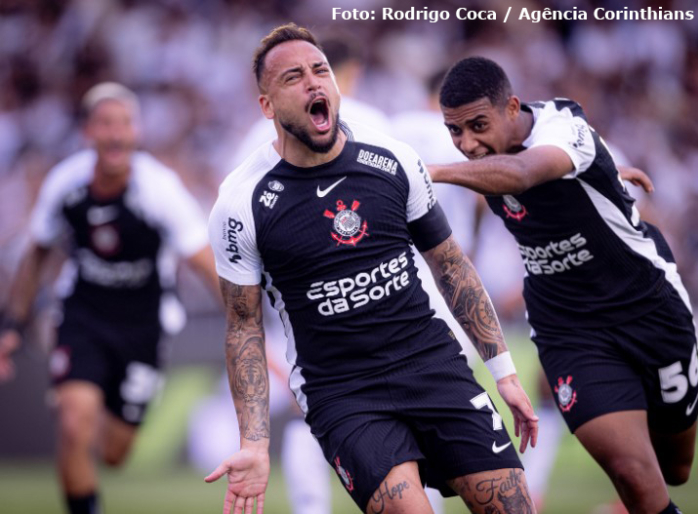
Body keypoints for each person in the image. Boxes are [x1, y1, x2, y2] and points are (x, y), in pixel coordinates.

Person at [205, 24, 539, 514]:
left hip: (433, 367)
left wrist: (503, 373)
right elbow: (243, 326)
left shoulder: (393, 158)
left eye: (320, 70)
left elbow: (451, 266)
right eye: (293, 77)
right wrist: (254, 443)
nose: (313, 82)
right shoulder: (240, 203)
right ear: (267, 106)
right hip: (343, 393)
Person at [430, 57, 698, 514]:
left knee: (675, 469)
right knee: (632, 472)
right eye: (455, 131)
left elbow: (522, 174)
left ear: (512, 107)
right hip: (569, 328)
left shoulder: (561, 127)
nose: (468, 144)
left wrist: (427, 171)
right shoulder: (489, 160)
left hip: (650, 310)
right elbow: (499, 184)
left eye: (478, 126)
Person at [0, 82, 220, 514]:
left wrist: (247, 321)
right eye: (105, 123)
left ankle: (88, 407)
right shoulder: (66, 183)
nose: (116, 133)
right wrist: (12, 324)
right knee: (74, 423)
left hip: (143, 326)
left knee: (116, 454)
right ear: (88, 131)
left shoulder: (159, 189)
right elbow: (36, 252)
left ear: (137, 131)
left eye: (124, 123)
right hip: (82, 315)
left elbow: (204, 261)